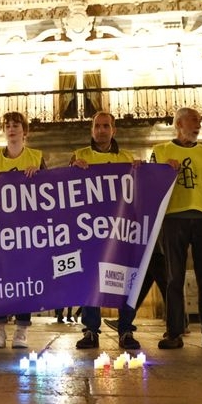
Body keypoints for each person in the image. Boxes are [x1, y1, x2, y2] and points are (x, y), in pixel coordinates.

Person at [153, 108, 202, 350]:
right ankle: (174, 332)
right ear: (179, 123)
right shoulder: (160, 152)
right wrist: (164, 173)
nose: (199, 124)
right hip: (173, 219)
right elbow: (151, 187)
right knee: (173, 279)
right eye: (193, 121)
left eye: (199, 121)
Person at [70, 111, 141, 350]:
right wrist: (73, 169)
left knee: (127, 279)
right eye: (97, 126)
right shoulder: (79, 156)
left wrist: (140, 172)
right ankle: (91, 330)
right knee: (90, 280)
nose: (101, 130)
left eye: (105, 126)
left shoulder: (127, 158)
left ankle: (126, 329)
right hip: (90, 230)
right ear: (92, 130)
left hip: (120, 230)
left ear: (114, 130)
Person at [0, 111, 47, 349]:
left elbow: (49, 191)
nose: (11, 129)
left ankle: (21, 329)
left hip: (26, 229)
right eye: (7, 125)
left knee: (25, 277)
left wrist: (38, 177)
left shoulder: (36, 157)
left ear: (24, 131)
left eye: (16, 125)